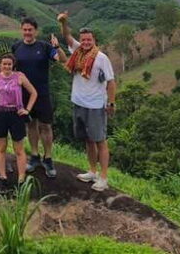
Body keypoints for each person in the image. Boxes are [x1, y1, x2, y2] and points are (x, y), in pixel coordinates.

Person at [60, 13, 116, 192]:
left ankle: (104, 177)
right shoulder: (78, 52)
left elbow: (111, 81)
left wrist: (111, 103)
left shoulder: (101, 58)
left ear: (94, 40)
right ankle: (92, 171)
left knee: (100, 140)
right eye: (83, 39)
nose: (85, 42)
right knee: (88, 140)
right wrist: (63, 22)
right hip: (79, 102)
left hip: (95, 105)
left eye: (88, 40)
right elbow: (67, 37)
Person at [12, 17, 68, 178]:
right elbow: (9, 68)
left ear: (35, 31)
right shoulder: (16, 47)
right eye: (25, 29)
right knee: (30, 125)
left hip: (42, 93)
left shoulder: (44, 47)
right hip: (23, 94)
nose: (27, 32)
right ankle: (35, 155)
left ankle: (48, 158)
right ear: (21, 30)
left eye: (30, 30)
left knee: (46, 126)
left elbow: (62, 60)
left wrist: (57, 46)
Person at [0, 53, 37, 193]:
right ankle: (3, 178)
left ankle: (21, 179)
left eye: (9, 64)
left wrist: (27, 109)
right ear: (1, 65)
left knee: (19, 149)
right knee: (1, 148)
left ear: (13, 65)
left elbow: (33, 92)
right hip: (1, 114)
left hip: (16, 114)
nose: (7, 66)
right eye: (4, 64)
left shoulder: (19, 76)